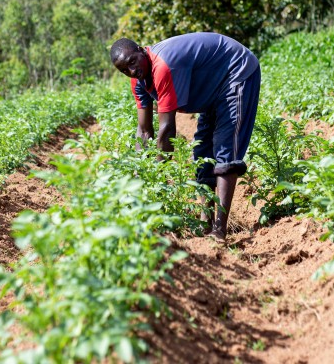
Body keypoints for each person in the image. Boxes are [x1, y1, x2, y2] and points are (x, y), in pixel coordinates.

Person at [110, 32, 260, 242]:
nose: (132, 71)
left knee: (226, 147)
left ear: (141, 50)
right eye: (124, 70)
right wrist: (141, 173)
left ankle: (220, 228)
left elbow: (167, 129)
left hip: (236, 70)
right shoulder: (138, 81)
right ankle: (205, 222)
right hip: (211, 88)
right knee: (202, 152)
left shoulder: (162, 67)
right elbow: (144, 131)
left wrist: (159, 179)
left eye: (133, 62)